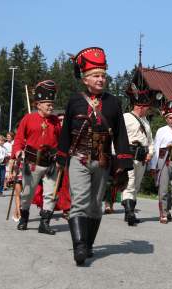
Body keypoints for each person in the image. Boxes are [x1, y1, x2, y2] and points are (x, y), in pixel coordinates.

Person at [57, 47, 133, 265]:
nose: (101, 80)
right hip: (78, 158)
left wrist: (123, 163)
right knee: (79, 201)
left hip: (102, 161)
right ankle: (79, 247)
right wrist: (62, 158)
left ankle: (89, 244)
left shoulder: (113, 103)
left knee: (95, 205)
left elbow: (120, 134)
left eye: (103, 76)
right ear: (85, 79)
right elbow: (65, 135)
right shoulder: (74, 101)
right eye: (96, 76)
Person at [12, 80, 62, 235]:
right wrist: (18, 151)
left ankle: (44, 224)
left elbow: (61, 142)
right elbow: (19, 139)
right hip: (32, 163)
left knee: (50, 195)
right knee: (27, 193)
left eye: (52, 104)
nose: (51, 107)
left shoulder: (55, 122)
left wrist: (61, 157)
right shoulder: (28, 119)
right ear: (38, 104)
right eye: (48, 104)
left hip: (51, 164)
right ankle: (24, 219)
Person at [121, 80, 155, 226]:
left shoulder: (146, 122)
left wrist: (150, 153)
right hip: (129, 155)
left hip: (141, 157)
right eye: (146, 107)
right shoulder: (125, 118)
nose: (148, 109)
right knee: (129, 184)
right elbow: (118, 138)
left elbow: (151, 141)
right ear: (140, 106)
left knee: (136, 185)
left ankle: (129, 212)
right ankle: (130, 213)